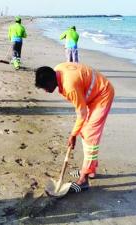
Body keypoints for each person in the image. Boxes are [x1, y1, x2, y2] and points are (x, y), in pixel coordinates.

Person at [34, 63, 115, 193]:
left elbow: (82, 113)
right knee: (85, 133)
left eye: (46, 87)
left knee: (90, 135)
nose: (46, 90)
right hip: (93, 94)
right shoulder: (58, 69)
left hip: (102, 95)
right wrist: (77, 132)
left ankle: (84, 180)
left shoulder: (69, 86)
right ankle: (90, 170)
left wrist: (73, 135)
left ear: (51, 80)